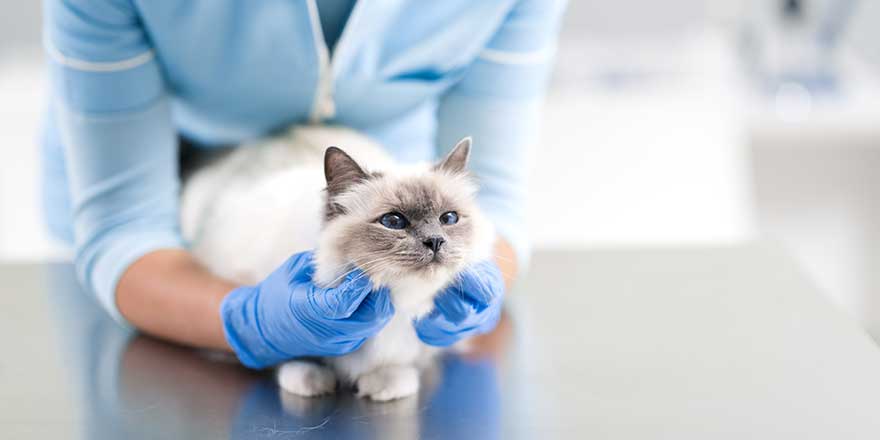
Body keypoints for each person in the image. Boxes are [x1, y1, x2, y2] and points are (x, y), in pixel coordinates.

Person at [42, 0, 566, 369]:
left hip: (379, 178)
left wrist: (483, 277)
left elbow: (492, 196)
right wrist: (249, 322)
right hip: (171, 191)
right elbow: (124, 225)